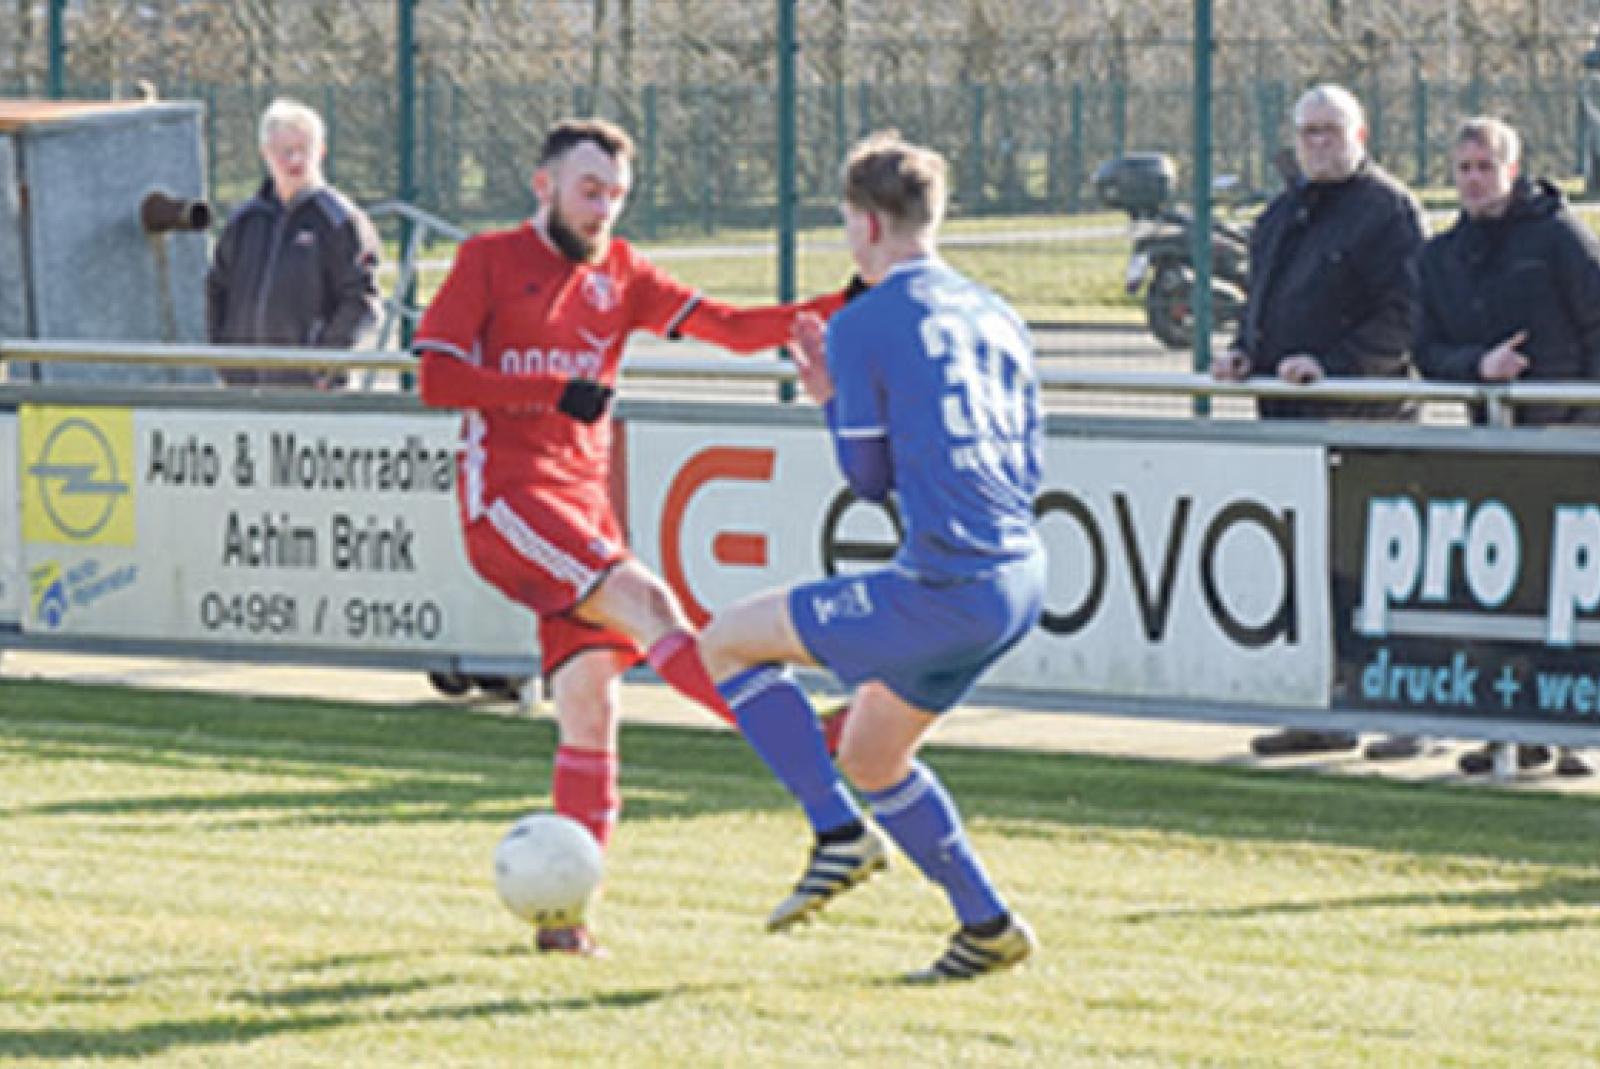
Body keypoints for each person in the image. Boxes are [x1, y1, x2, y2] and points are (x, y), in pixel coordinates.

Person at [412, 117, 854, 955]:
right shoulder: (488, 260)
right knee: (653, 605)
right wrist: (549, 392)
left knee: (591, 707)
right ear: (543, 185)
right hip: (507, 502)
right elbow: (435, 376)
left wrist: (849, 303)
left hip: (583, 507)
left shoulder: (623, 271)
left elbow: (732, 327)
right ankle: (809, 737)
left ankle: (564, 922)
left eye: (616, 194)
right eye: (589, 190)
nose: (603, 207)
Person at [699, 131, 1046, 982]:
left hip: (946, 585)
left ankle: (836, 831)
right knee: (871, 756)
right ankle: (987, 926)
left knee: (727, 641)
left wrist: (829, 397)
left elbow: (866, 477)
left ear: (865, 224)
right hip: (1021, 574)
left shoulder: (863, 322)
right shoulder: (998, 313)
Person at [1212, 83, 1430, 761]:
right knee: (1313, 575)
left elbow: (1405, 315)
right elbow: (1262, 301)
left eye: (1331, 131)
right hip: (1292, 426)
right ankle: (1323, 708)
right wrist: (1245, 352)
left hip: (1370, 424)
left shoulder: (1389, 211)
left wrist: (1334, 367)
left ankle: (1406, 712)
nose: (1318, 144)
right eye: (1308, 132)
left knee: (1377, 572)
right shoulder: (1281, 214)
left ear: (1360, 136)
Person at [1413, 115, 1600, 778]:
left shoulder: (1557, 238)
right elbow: (1426, 352)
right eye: (1464, 168)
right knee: (1501, 592)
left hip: (1568, 444)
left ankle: (1573, 732)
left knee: (1570, 592)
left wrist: (1580, 417)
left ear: (1512, 170)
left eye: (1485, 167)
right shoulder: (1439, 257)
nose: (1474, 180)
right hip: (1493, 447)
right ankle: (1507, 732)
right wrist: (1478, 366)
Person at [206, 98, 382, 388]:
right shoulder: (244, 221)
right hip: (244, 387)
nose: (295, 160)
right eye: (285, 151)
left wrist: (325, 366)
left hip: (311, 392)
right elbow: (217, 289)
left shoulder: (340, 221)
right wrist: (224, 359)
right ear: (265, 153)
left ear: (321, 151)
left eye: (304, 149)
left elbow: (362, 301)